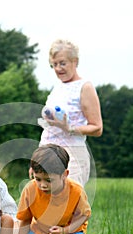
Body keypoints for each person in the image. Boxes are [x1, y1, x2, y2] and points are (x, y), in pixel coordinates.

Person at [38, 38, 103, 186]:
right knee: (46, 204)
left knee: (69, 204)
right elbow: (49, 129)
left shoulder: (85, 87)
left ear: (75, 61)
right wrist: (38, 158)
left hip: (73, 156)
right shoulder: (57, 88)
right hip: (48, 153)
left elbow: (97, 128)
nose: (58, 68)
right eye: (54, 64)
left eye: (62, 63)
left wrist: (69, 128)